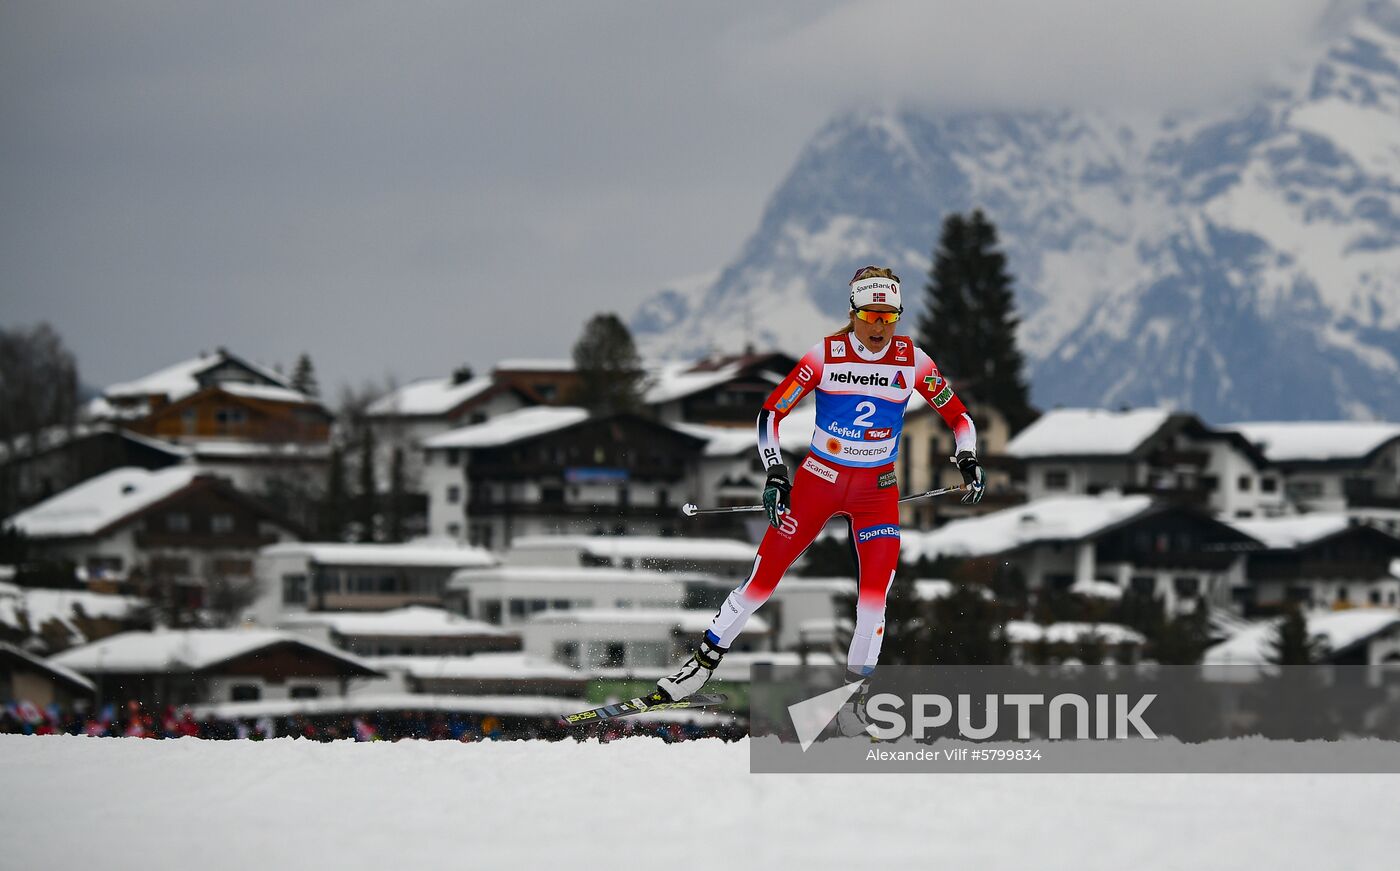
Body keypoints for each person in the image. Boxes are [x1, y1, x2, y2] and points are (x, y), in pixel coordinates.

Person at [647, 265, 985, 729]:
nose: (880, 327)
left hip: (877, 492)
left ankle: (856, 704)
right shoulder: (825, 356)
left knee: (874, 598)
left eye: (890, 316)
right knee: (762, 580)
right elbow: (771, 414)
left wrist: (966, 459)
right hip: (817, 482)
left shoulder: (914, 361)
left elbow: (961, 419)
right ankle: (702, 663)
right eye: (871, 315)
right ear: (853, 313)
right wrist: (774, 475)